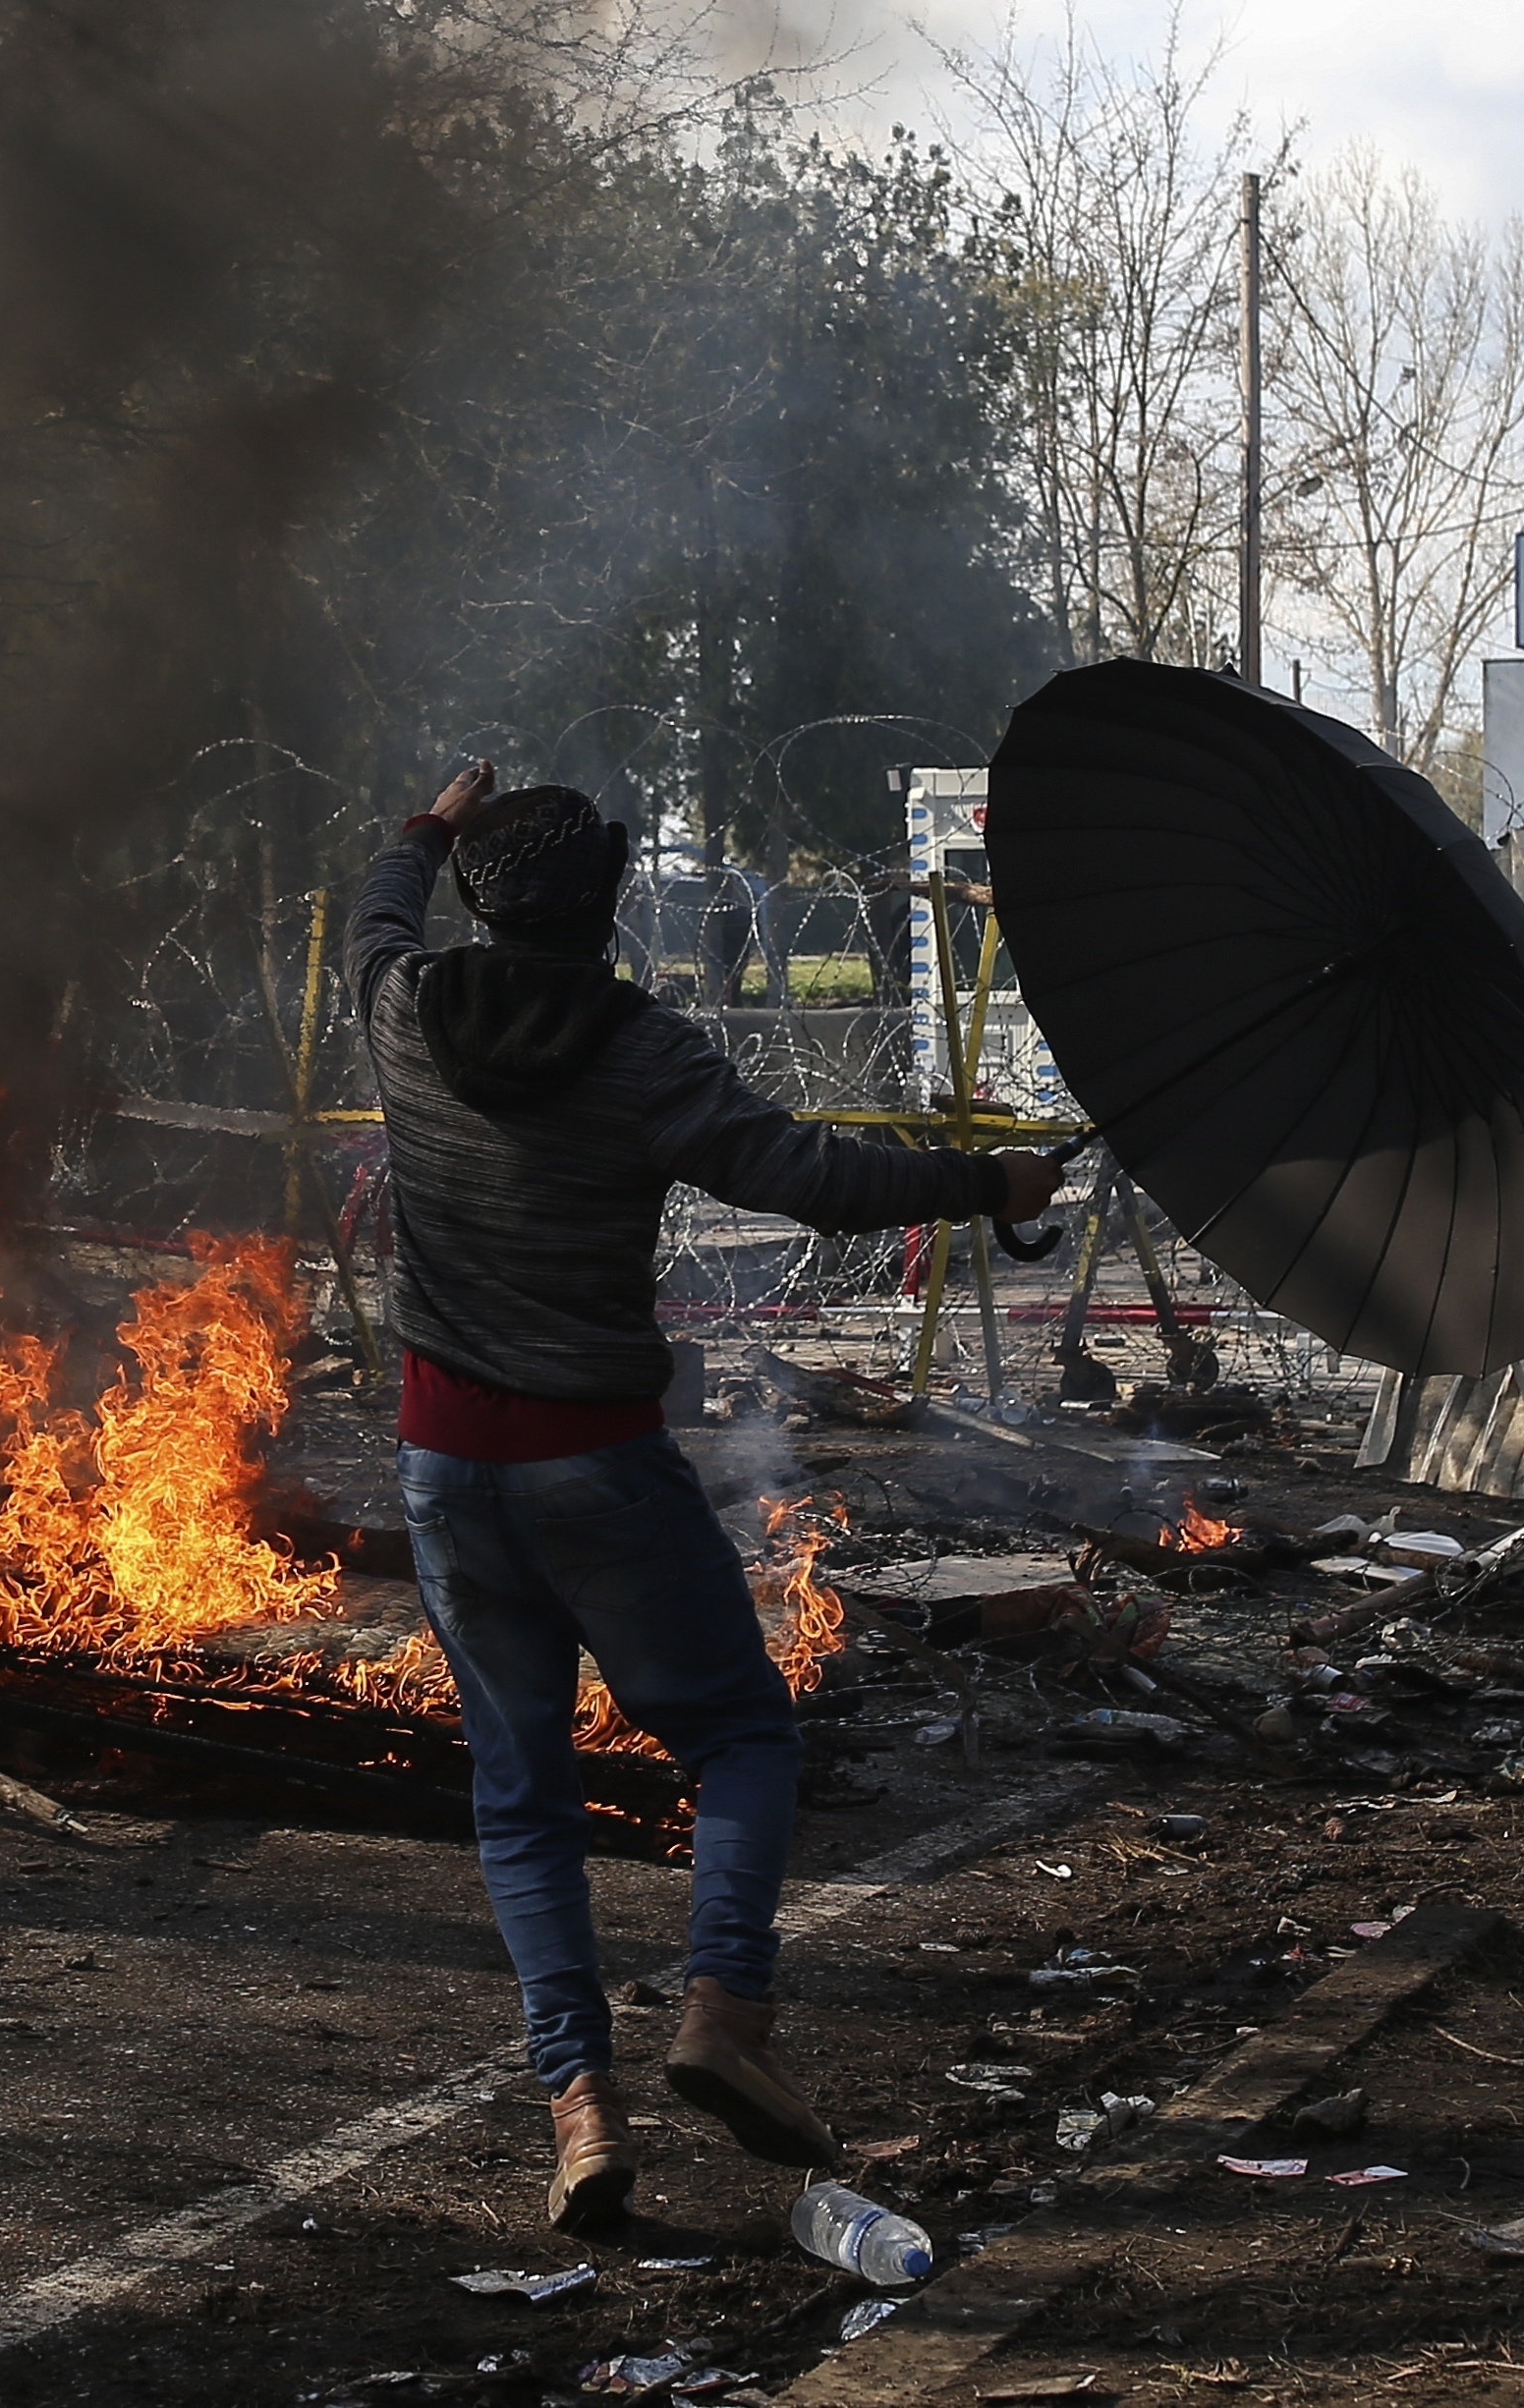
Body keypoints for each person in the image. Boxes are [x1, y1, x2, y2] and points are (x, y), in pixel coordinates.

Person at [349, 759, 1062, 2236]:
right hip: (595, 1458)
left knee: (520, 1791)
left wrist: (430, 823)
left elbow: (371, 908)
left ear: (477, 896)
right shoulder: (644, 1050)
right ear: (607, 901)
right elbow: (810, 1176)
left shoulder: (402, 1006)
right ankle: (725, 2011)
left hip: (442, 1465)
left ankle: (581, 2109)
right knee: (737, 1728)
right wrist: (987, 1181)